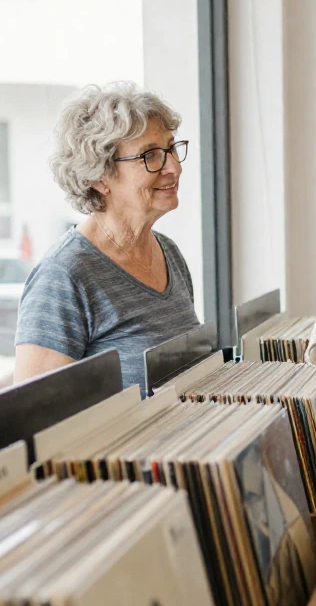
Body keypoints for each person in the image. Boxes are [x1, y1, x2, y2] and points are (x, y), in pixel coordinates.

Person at [13, 82, 199, 391]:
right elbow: (32, 420)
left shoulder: (169, 252)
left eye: (171, 148)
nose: (174, 167)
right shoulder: (64, 276)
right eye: (150, 155)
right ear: (100, 177)